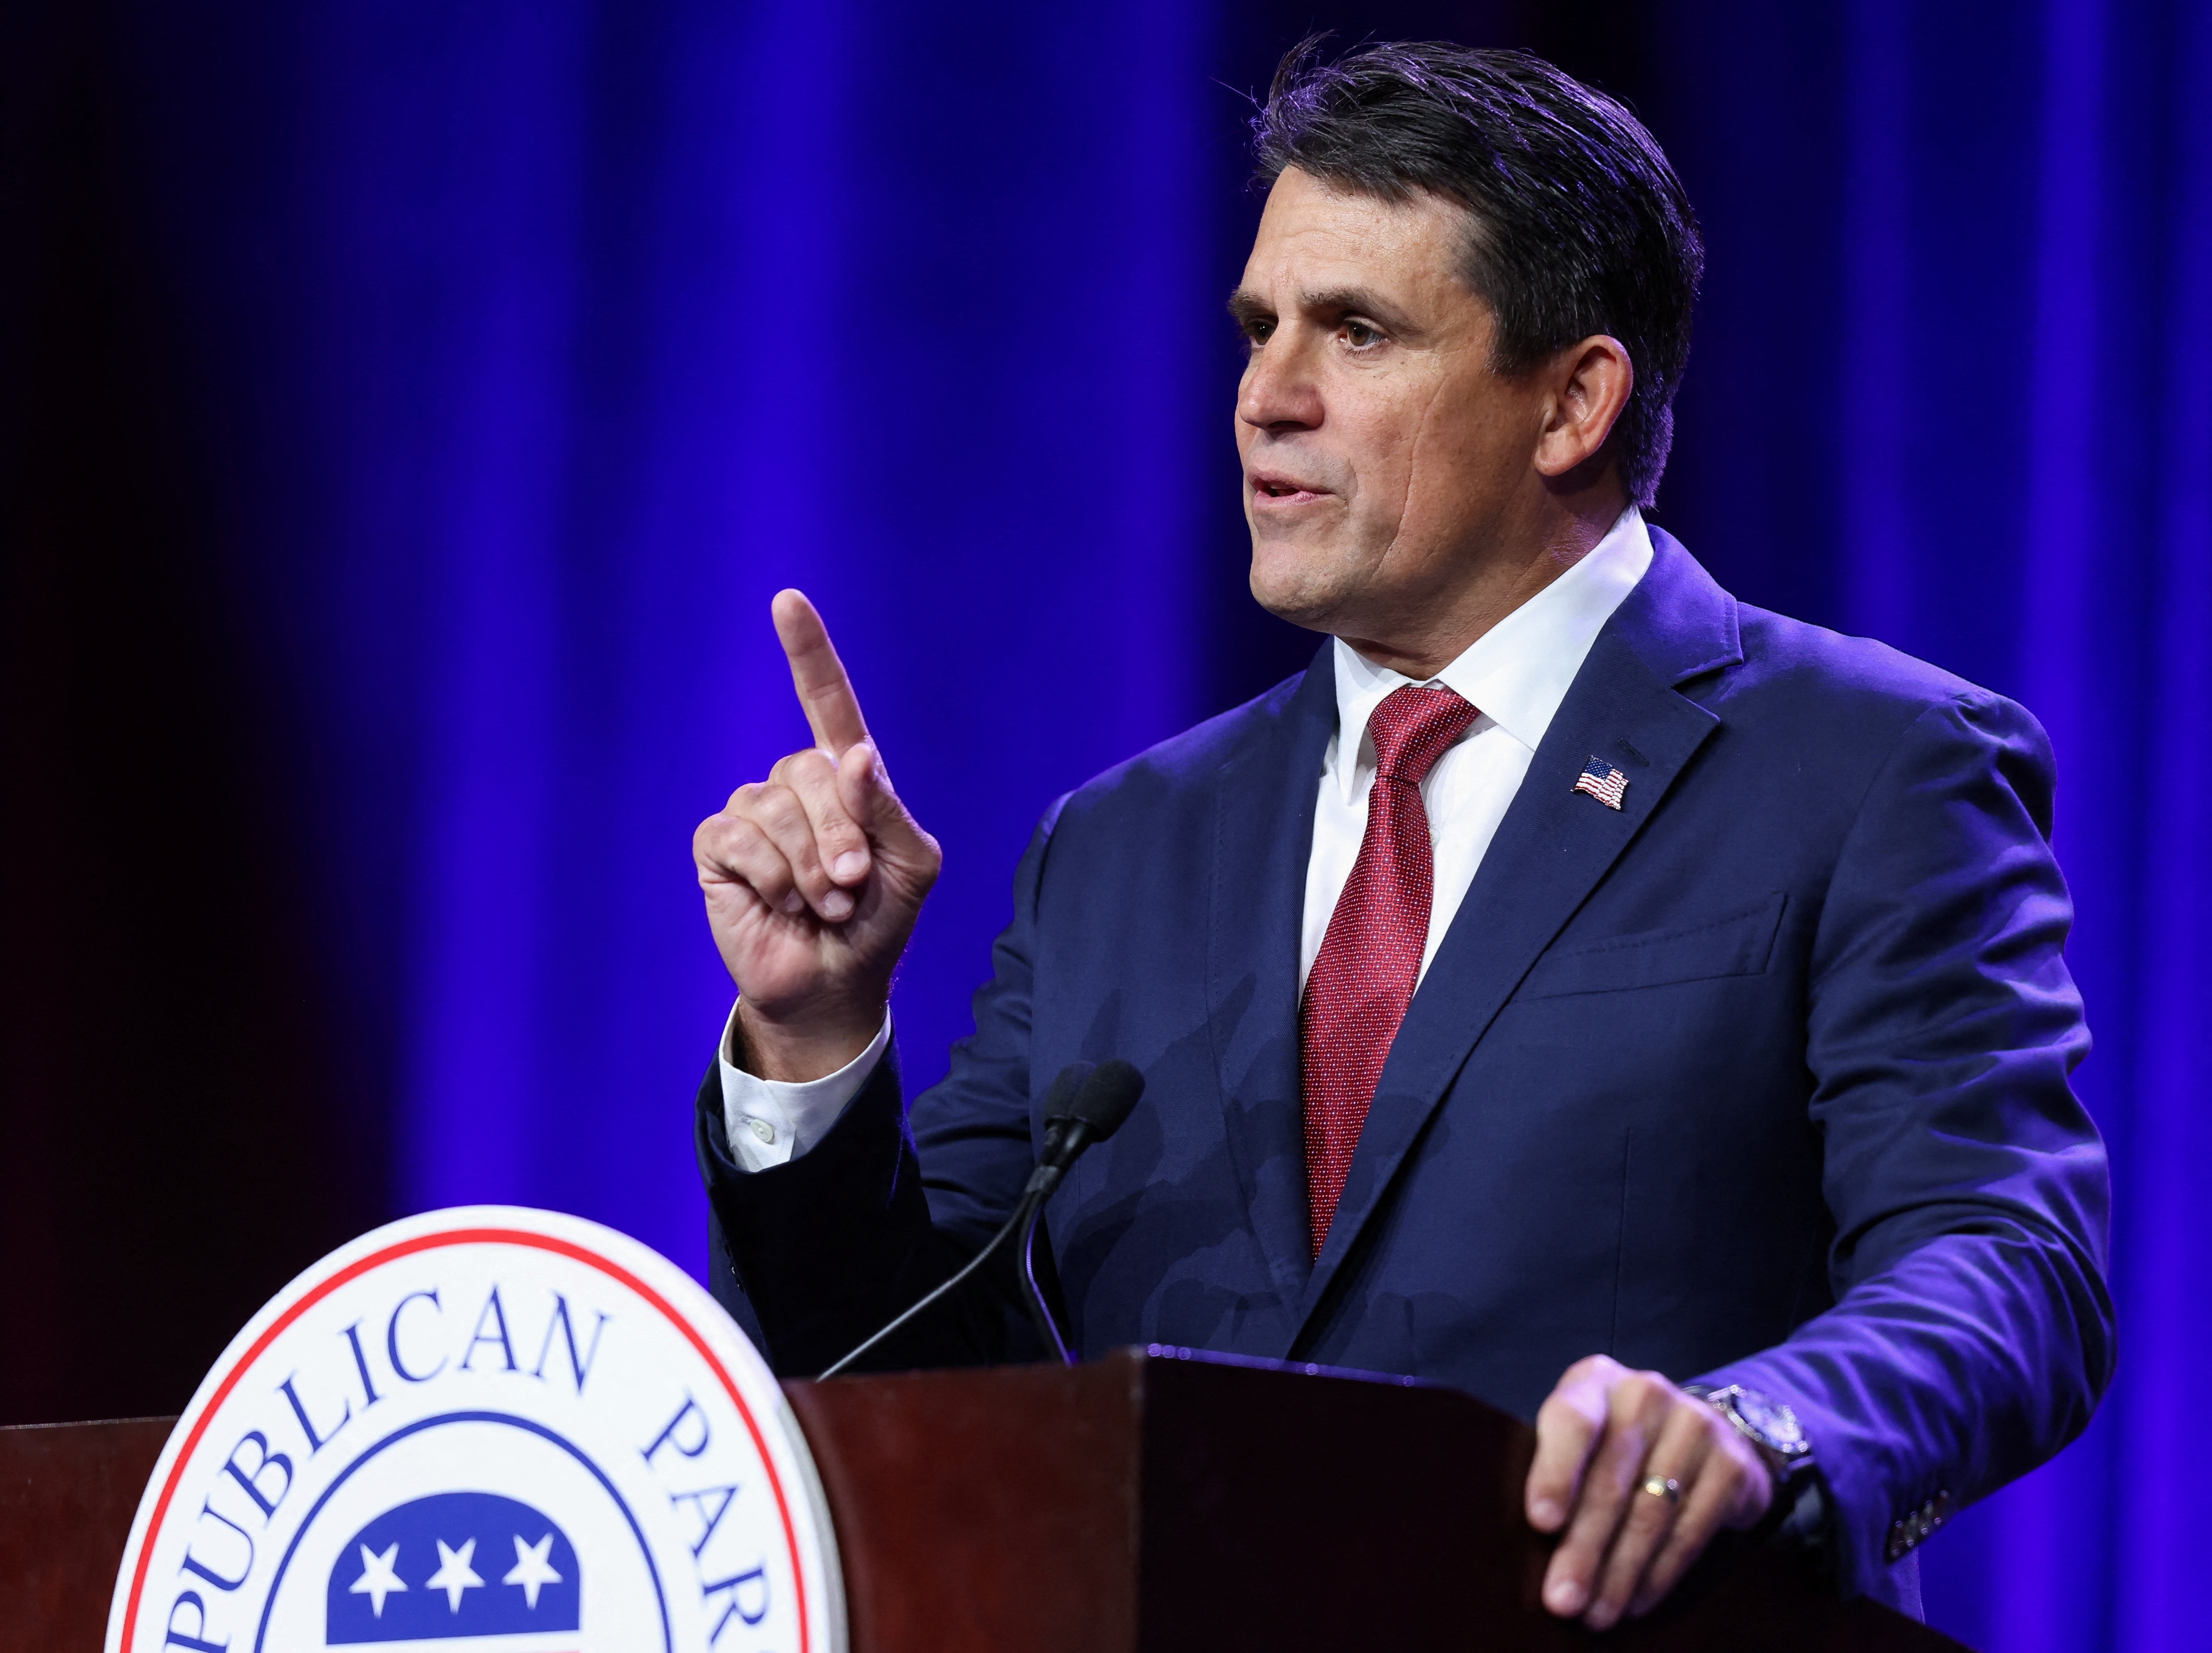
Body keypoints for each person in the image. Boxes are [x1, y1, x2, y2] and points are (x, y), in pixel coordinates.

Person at [687, 40, 2110, 1629]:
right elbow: (910, 1382)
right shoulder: (1120, 847)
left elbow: (2007, 1262)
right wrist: (814, 1041)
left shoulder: (1868, 766)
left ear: (1573, 399)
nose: (1265, 397)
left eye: (1355, 332)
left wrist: (1762, 1431)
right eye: (1258, 329)